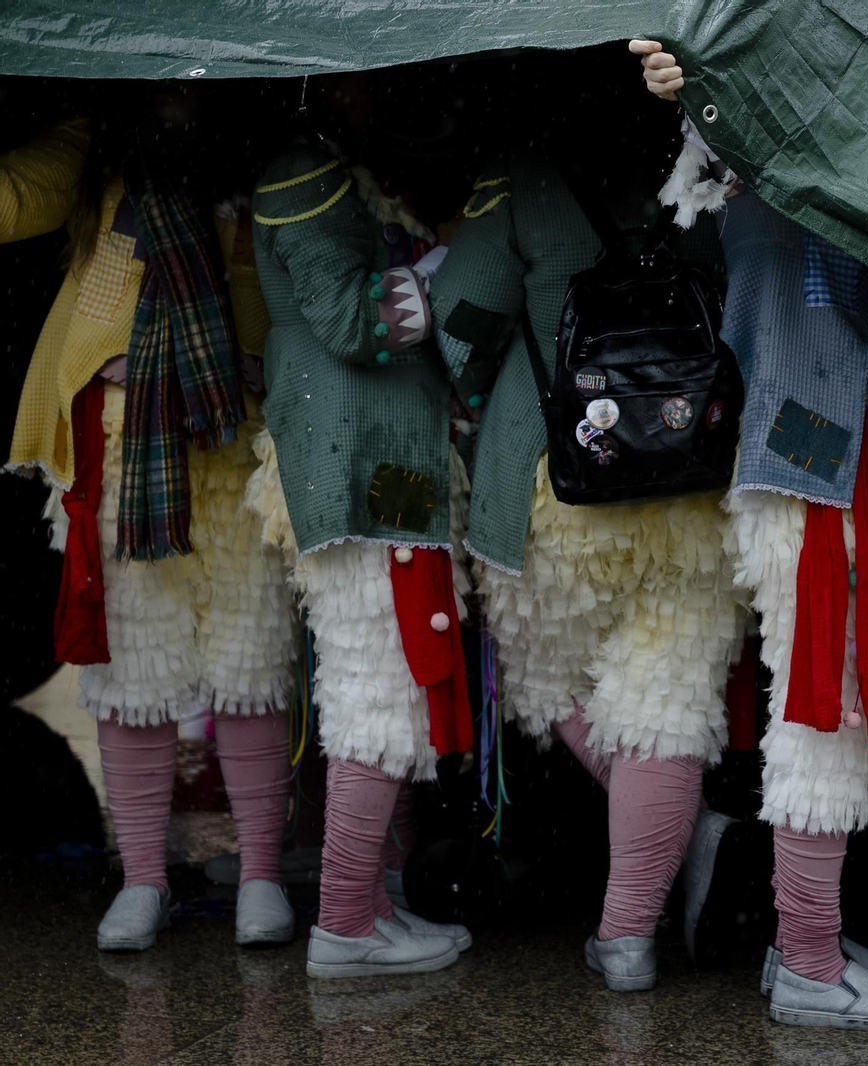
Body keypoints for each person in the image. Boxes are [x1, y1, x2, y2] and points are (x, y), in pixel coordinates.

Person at [635, 39, 868, 1031]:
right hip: (810, 463)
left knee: (823, 705)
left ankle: (805, 942)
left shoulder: (769, 168)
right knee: (821, 711)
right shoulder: (766, 169)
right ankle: (807, 959)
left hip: (819, 455)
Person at [427, 57, 744, 994]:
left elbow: (457, 323)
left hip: (552, 481)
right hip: (689, 477)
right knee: (666, 713)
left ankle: (660, 849)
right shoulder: (715, 159)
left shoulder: (524, 175)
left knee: (545, 676)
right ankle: (630, 936)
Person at [2, 88, 301, 952]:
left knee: (252, 667)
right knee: (129, 674)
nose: (180, 85)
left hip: (245, 440)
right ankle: (141, 879)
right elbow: (13, 200)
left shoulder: (276, 149)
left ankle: (259, 881)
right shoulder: (95, 145)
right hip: (125, 447)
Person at [246, 72, 471, 978]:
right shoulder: (301, 169)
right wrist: (447, 272)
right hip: (357, 459)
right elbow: (348, 318)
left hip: (379, 455)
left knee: (376, 680)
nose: (381, 83)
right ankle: (345, 922)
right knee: (373, 685)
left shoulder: (333, 163)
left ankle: (366, 907)